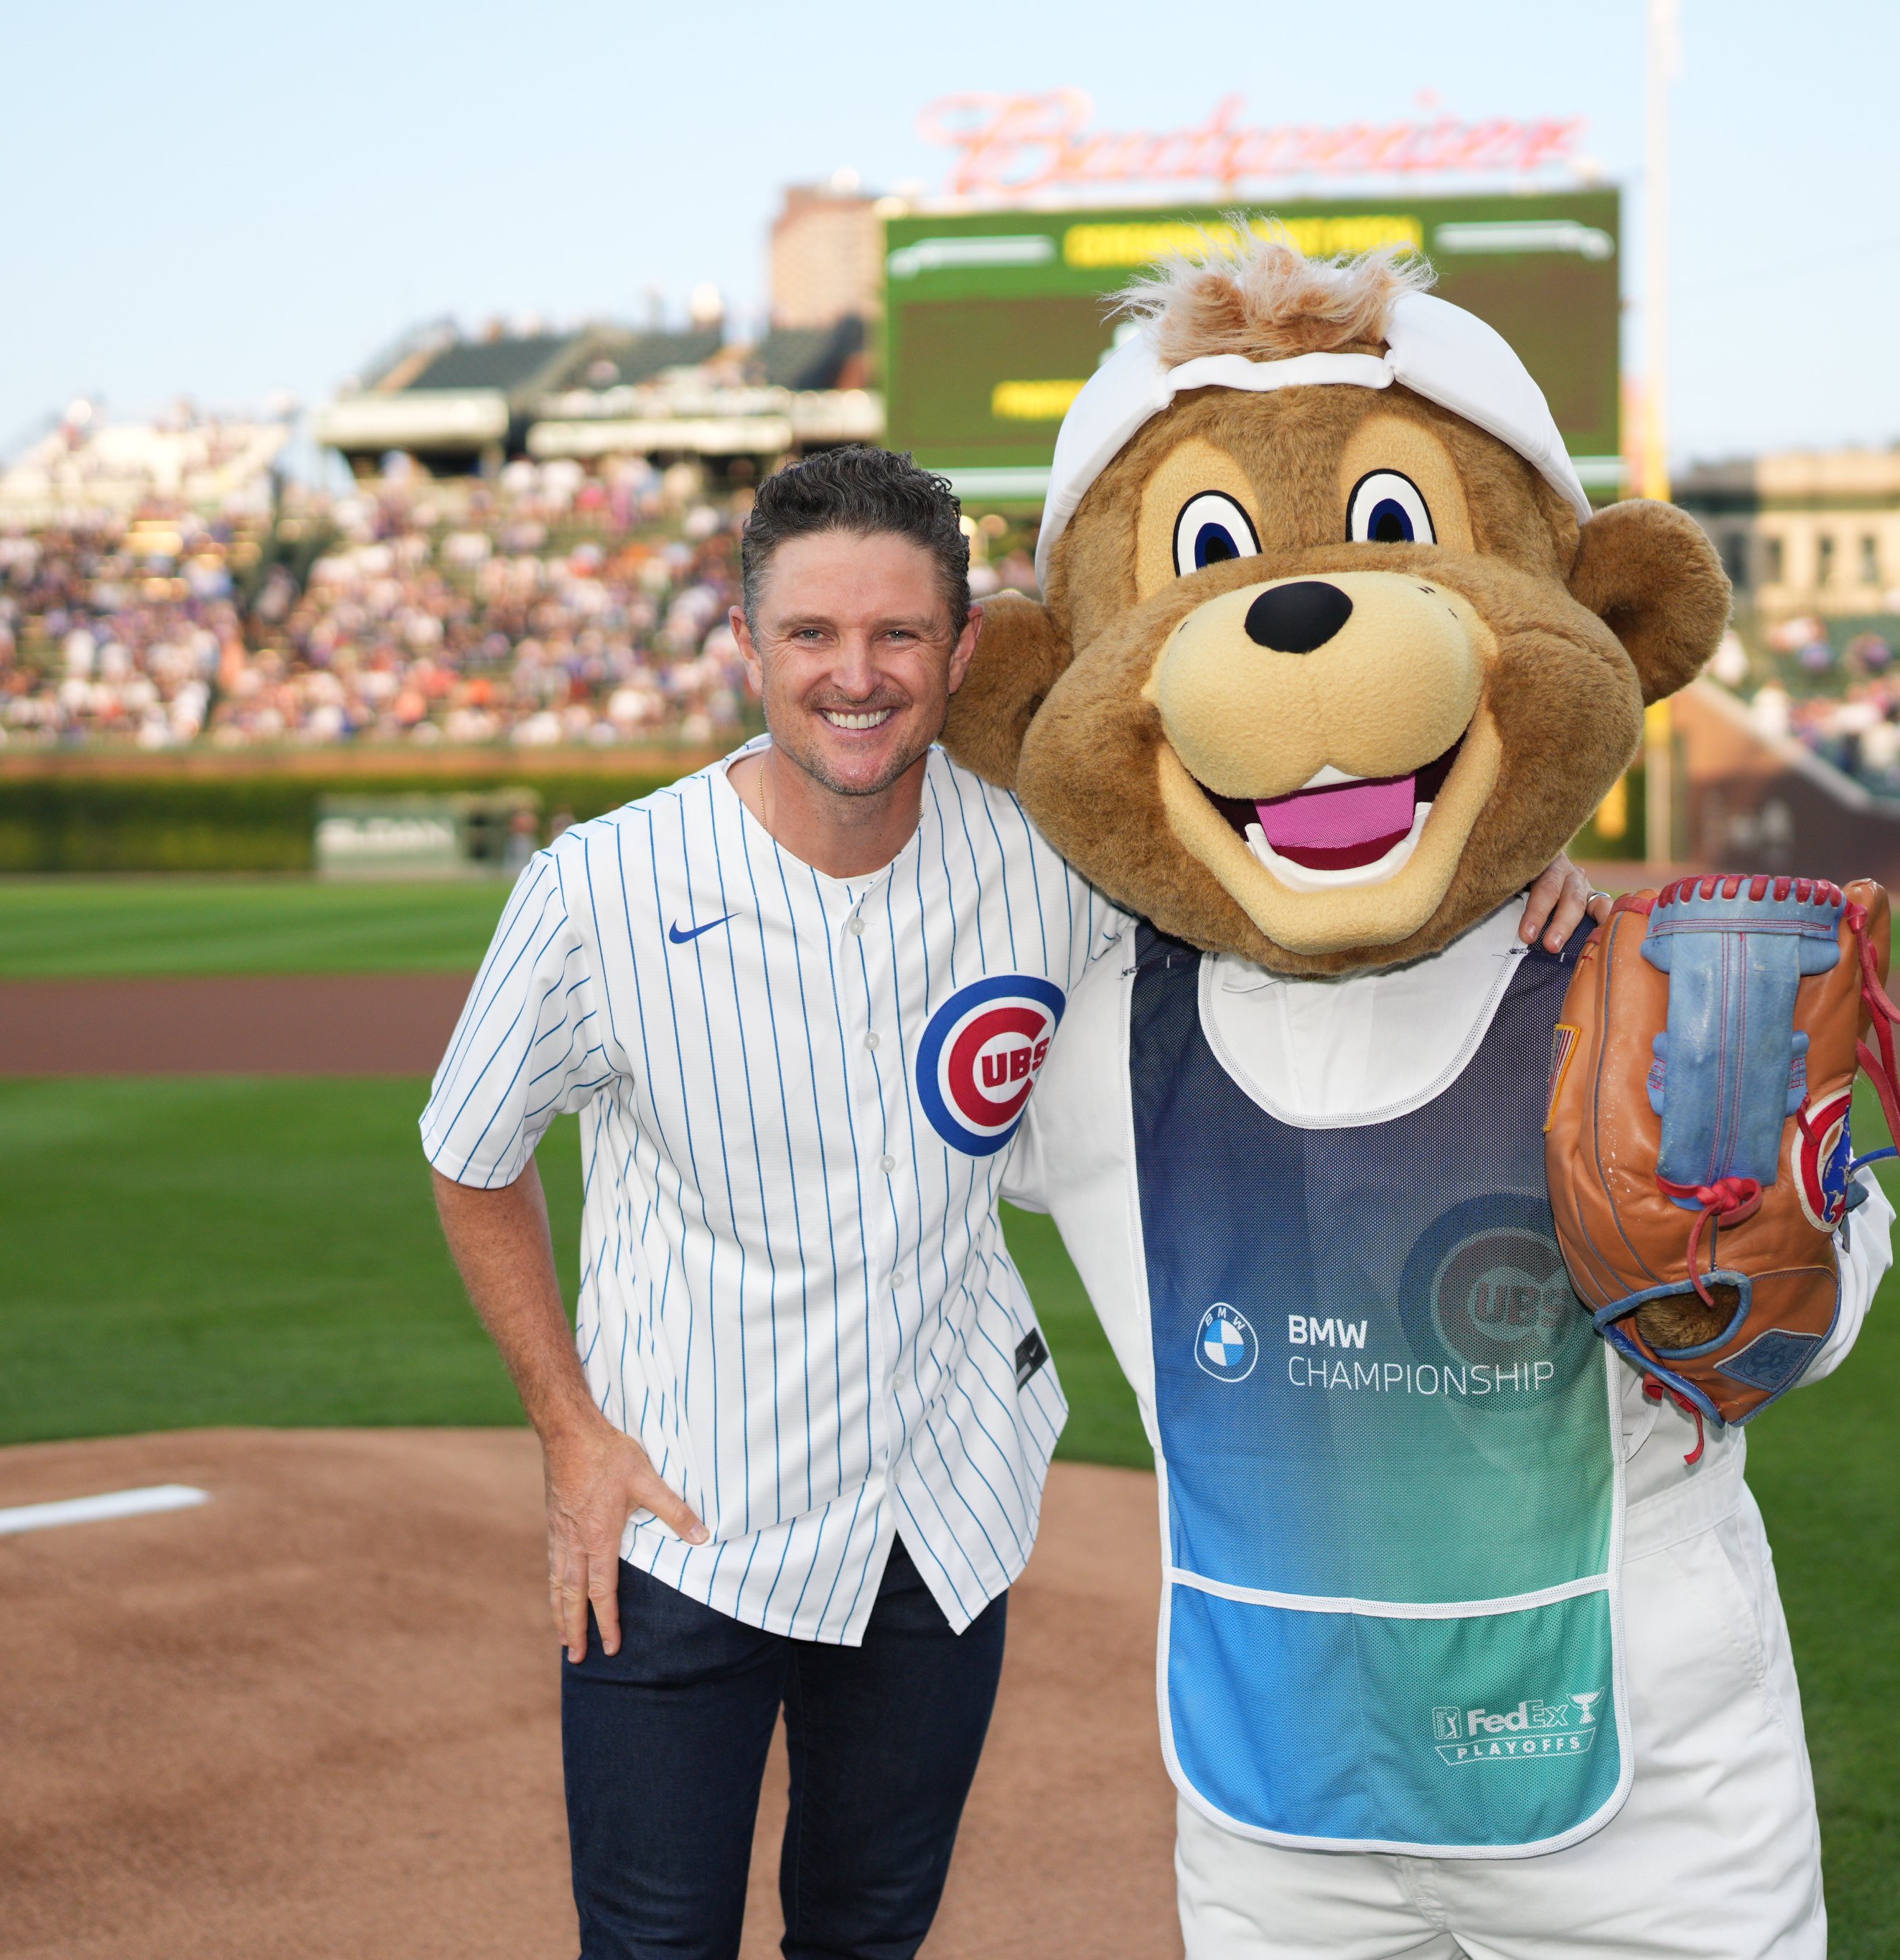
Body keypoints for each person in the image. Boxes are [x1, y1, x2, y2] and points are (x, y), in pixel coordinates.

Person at [420, 445, 1602, 1960]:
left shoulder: (1046, 858)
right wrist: (570, 1433)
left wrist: (1522, 870)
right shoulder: (595, 886)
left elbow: (1295, 899)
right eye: (811, 635)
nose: (856, 675)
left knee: (866, 1936)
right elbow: (471, 1154)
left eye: (897, 635)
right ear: (745, 647)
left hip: (937, 1515)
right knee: (651, 1946)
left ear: (960, 649)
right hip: (677, 1516)